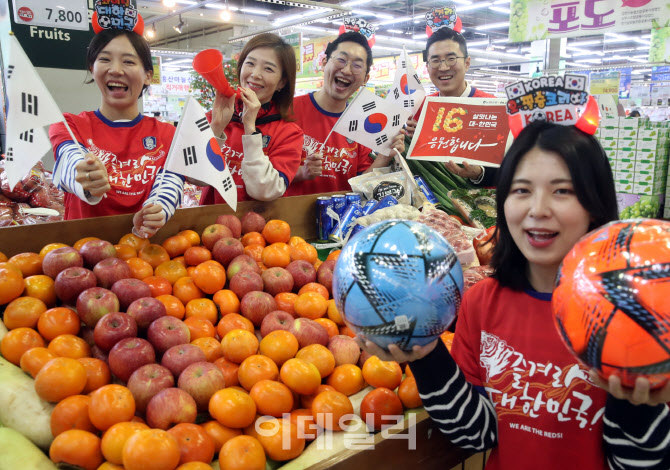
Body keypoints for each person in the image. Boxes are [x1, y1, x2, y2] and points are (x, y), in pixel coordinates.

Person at [359, 121, 670, 469]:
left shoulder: (633, 311)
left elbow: (639, 464)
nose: (537, 209)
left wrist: (635, 405)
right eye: (521, 190)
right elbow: (476, 434)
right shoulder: (482, 301)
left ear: (595, 205)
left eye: (562, 191)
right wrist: (426, 356)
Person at [49, 28, 184, 238]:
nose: (116, 70)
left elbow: (170, 182)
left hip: (144, 257)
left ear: (148, 75)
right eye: (105, 59)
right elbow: (69, 161)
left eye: (128, 62)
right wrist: (85, 176)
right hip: (80, 253)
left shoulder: (168, 134)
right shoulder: (69, 126)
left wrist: (157, 210)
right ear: (92, 68)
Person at [285, 32, 405, 196]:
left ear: (365, 78)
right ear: (324, 63)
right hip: (287, 219)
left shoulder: (365, 124)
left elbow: (362, 183)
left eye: (357, 65)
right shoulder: (288, 111)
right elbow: (265, 172)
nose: (347, 70)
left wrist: (385, 155)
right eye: (341, 60)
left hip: (342, 218)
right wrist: (301, 172)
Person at [199, 33, 303, 204]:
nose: (255, 74)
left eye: (268, 69)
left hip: (263, 229)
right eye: (250, 63)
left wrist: (250, 128)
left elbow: (265, 191)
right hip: (208, 224)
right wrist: (216, 127)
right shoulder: (212, 118)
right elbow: (196, 179)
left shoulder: (289, 133)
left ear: (282, 82)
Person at [407, 27, 497, 186]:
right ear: (427, 66)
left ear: (467, 63)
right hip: (431, 204)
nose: (443, 67)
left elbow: (508, 167)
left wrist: (479, 173)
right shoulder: (422, 107)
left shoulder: (492, 107)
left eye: (451, 58)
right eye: (435, 60)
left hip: (479, 203)